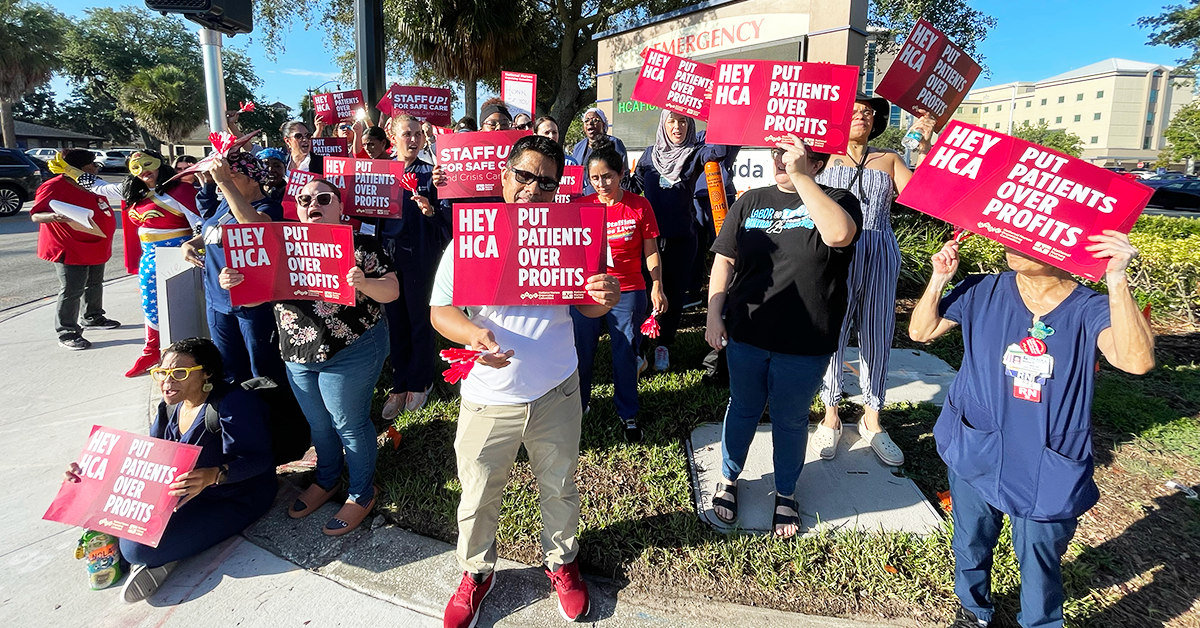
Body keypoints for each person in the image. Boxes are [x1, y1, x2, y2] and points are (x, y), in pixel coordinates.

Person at [908, 234, 1154, 628]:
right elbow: (921, 333)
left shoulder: (1091, 308)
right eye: (1012, 234)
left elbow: (1136, 361)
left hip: (1046, 457)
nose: (1016, 243)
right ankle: (972, 611)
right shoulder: (982, 289)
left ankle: (1040, 623)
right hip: (979, 442)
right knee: (970, 541)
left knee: (1040, 555)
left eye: (1033, 236)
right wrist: (938, 279)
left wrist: (1117, 280)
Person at [431, 135, 621, 627]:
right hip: (486, 396)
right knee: (477, 492)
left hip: (556, 389)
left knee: (558, 485)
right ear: (504, 175)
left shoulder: (568, 235)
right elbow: (440, 310)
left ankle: (561, 562)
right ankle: (476, 572)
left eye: (548, 182)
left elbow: (590, 305)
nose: (534, 189)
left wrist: (607, 293)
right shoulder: (470, 240)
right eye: (525, 176)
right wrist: (473, 335)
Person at [220, 177, 398, 535]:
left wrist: (363, 283)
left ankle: (362, 492)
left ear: (340, 206)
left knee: (349, 423)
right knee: (318, 424)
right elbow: (256, 297)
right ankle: (328, 478)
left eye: (323, 197)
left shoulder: (361, 245)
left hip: (352, 349)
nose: (312, 203)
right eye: (304, 199)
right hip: (298, 353)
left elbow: (392, 290)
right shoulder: (278, 246)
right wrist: (236, 283)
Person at [705, 134, 862, 538]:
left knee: (791, 420)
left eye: (793, 154)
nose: (781, 159)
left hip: (805, 341)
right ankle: (729, 478)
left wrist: (799, 175)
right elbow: (725, 260)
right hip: (747, 332)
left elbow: (839, 236)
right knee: (742, 407)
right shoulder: (751, 201)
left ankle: (786, 493)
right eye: (778, 152)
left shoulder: (839, 201)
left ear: (817, 163)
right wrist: (713, 314)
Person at [62, 337, 277, 603]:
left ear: (207, 373)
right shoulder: (170, 406)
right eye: (162, 372)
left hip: (236, 497)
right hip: (184, 493)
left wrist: (214, 475)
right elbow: (149, 459)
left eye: (179, 373)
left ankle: (163, 559)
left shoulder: (233, 405)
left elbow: (259, 460)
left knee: (137, 550)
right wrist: (90, 472)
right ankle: (168, 547)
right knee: (98, 508)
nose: (167, 381)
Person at [812, 96, 935, 467]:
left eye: (868, 113)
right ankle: (830, 412)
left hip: (880, 247)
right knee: (833, 327)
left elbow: (922, 197)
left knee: (878, 330)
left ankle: (872, 417)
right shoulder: (824, 157)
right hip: (838, 250)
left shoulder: (889, 158)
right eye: (855, 111)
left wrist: (924, 147)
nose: (863, 116)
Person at [572, 147, 666, 442]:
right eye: (595, 178)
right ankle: (578, 405)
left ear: (622, 174)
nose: (601, 184)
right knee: (580, 352)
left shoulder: (639, 206)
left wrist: (657, 284)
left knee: (625, 354)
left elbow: (651, 250)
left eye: (608, 177)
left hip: (628, 289)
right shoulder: (581, 206)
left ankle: (628, 412)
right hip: (589, 292)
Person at [86, 149, 201, 375]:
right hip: (149, 257)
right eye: (135, 167)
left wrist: (195, 247)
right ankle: (152, 349)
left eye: (148, 164)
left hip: (179, 257)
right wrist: (71, 171)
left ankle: (183, 354)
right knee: (150, 305)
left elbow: (200, 223)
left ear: (160, 163)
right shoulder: (133, 190)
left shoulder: (179, 191)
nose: (143, 171)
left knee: (181, 307)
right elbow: (99, 187)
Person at [634, 110, 733, 371]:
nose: (677, 127)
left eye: (683, 122)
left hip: (682, 239)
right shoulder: (648, 155)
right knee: (645, 294)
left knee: (674, 296)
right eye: (672, 121)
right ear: (663, 124)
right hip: (648, 240)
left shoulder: (695, 152)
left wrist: (717, 115)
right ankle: (642, 347)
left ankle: (664, 344)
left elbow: (718, 151)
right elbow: (634, 186)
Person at [182, 152, 288, 386]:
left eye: (234, 175)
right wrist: (191, 243)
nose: (225, 179)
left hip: (250, 303)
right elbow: (215, 228)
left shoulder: (269, 207)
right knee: (228, 367)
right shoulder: (227, 202)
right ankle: (238, 415)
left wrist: (224, 182)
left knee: (262, 368)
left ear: (253, 179)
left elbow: (252, 226)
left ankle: (268, 416)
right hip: (217, 299)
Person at [378, 114, 452, 419]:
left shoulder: (431, 174)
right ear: (393, 137)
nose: (413, 139)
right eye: (406, 133)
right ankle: (399, 383)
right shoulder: (380, 173)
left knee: (420, 321)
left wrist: (431, 209)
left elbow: (446, 224)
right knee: (396, 322)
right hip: (387, 260)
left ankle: (420, 381)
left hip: (420, 258)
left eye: (418, 134)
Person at [30, 150, 120, 350]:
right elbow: (36, 215)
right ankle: (67, 332)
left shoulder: (93, 184)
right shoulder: (53, 187)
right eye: (93, 164)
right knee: (72, 289)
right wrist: (54, 217)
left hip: (96, 243)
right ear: (80, 167)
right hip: (69, 245)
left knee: (95, 283)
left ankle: (92, 316)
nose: (97, 168)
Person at [570, 108, 628, 195]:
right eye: (586, 120)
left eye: (595, 120)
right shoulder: (578, 147)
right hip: (583, 197)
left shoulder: (614, 143)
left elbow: (623, 173)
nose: (590, 123)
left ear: (603, 124)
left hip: (608, 195)